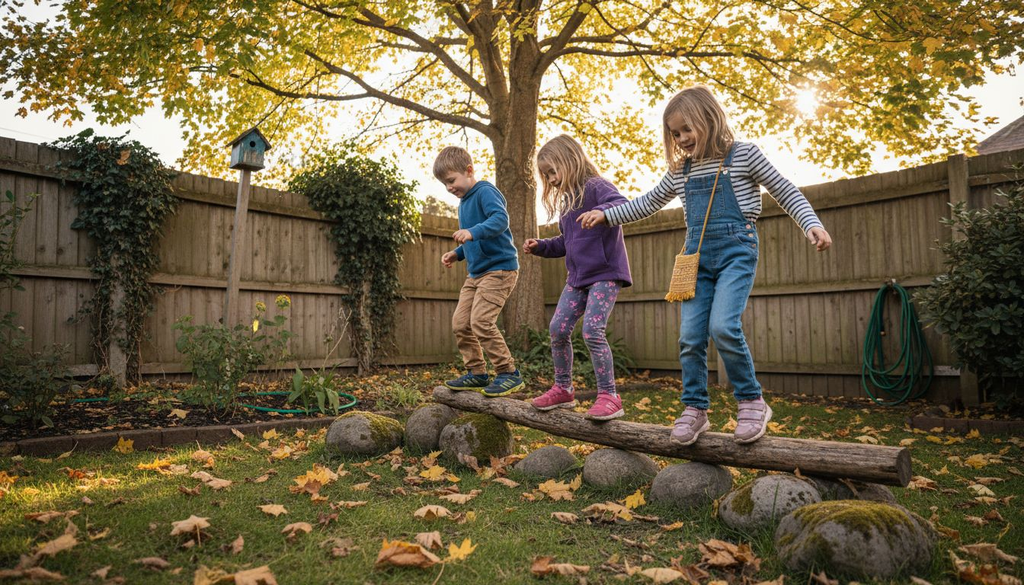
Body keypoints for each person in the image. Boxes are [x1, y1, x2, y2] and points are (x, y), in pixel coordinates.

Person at [577, 85, 832, 444]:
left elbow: (785, 189)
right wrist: (605, 215)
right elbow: (647, 203)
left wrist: (812, 224)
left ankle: (751, 401)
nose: (681, 138)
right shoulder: (681, 171)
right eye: (675, 133)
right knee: (690, 337)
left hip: (736, 252)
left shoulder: (744, 156)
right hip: (695, 258)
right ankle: (695, 408)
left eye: (686, 129)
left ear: (709, 119)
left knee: (724, 327)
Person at [523, 135, 632, 420]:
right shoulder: (567, 204)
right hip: (577, 278)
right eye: (546, 174)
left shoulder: (596, 187)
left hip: (605, 273)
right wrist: (542, 247)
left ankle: (609, 395)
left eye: (553, 170)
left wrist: (601, 212)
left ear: (570, 160)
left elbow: (621, 204)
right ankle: (563, 388)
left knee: (592, 331)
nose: (551, 178)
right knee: (558, 329)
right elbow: (565, 243)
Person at [435, 146, 525, 397]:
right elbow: (473, 240)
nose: (449, 187)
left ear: (469, 170)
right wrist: (457, 253)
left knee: (481, 321)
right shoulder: (463, 204)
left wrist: (472, 232)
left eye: (451, 180)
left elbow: (499, 221)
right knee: (461, 323)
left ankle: (509, 373)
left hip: (499, 270)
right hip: (475, 274)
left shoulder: (485, 191)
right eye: (444, 184)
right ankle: (477, 373)